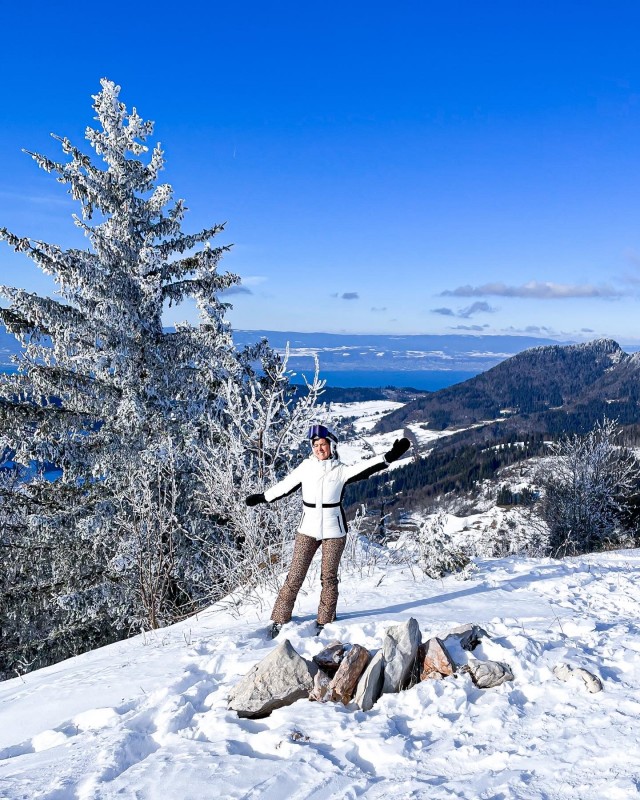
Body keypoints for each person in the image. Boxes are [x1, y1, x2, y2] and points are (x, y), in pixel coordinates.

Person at [245, 423, 411, 638]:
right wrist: (263, 497)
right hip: (307, 528)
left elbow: (367, 467)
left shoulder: (341, 470)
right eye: (315, 445)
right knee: (295, 575)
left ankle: (325, 621)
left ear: (331, 446)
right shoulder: (306, 467)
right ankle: (279, 619)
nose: (319, 449)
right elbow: (285, 486)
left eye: (323, 444)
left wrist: (389, 457)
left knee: (329, 577)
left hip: (334, 530)